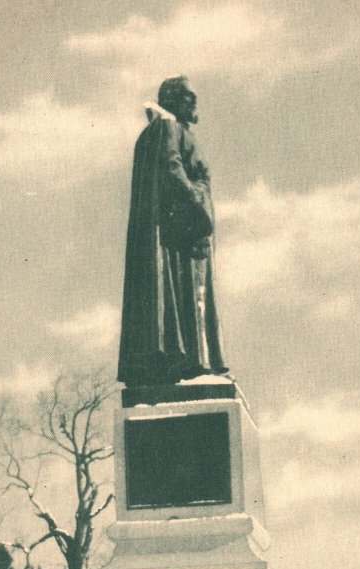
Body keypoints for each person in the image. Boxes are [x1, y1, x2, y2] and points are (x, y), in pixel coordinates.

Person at [117, 76, 228, 386]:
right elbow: (171, 168)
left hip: (181, 231)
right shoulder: (168, 128)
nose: (193, 102)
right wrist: (198, 200)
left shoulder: (158, 132)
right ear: (172, 99)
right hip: (183, 232)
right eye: (187, 96)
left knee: (186, 298)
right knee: (187, 296)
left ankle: (189, 360)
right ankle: (189, 361)